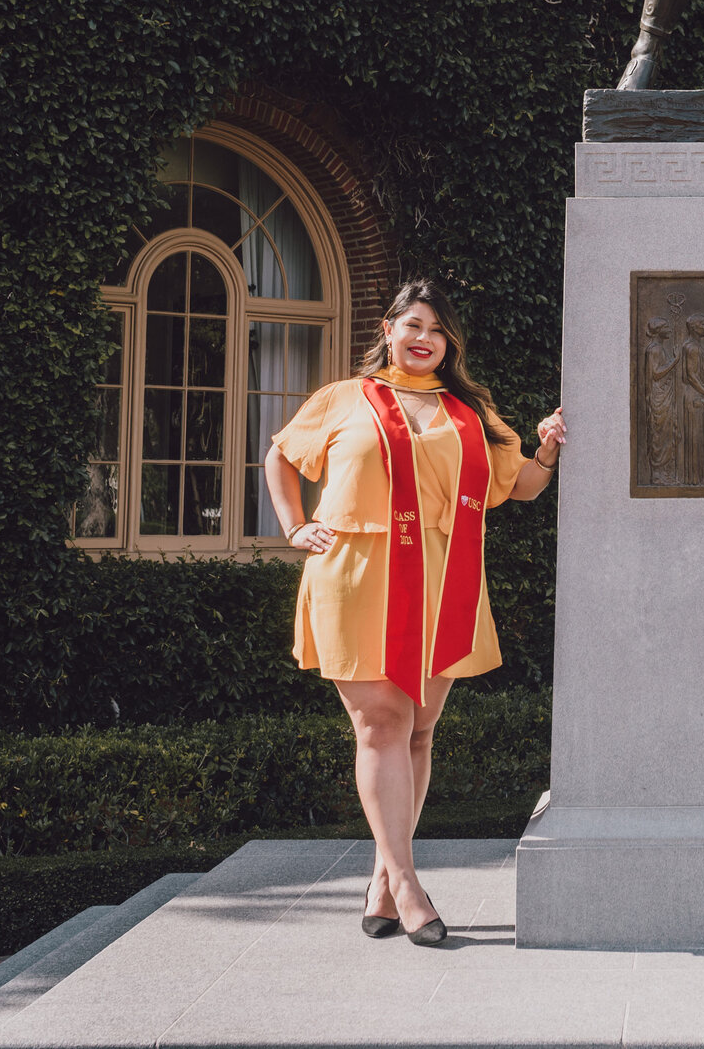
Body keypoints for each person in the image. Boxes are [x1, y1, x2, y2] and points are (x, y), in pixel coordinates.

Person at [262, 280, 566, 946]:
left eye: (439, 330)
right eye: (415, 324)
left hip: (441, 585)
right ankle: (407, 885)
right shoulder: (345, 398)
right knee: (381, 723)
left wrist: (546, 448)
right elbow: (281, 454)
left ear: (449, 344)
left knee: (419, 730)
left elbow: (519, 486)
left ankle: (379, 876)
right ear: (389, 328)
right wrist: (293, 527)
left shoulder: (470, 411)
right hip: (358, 578)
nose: (425, 337)